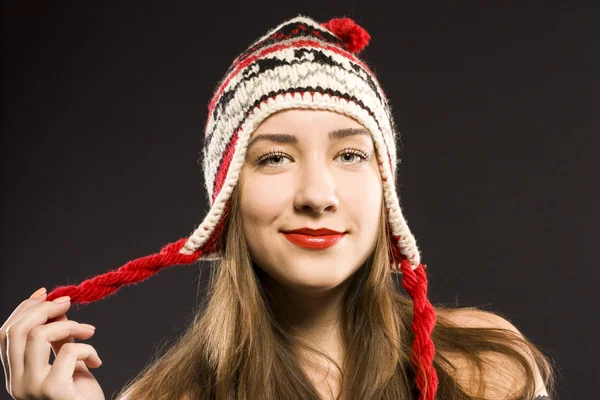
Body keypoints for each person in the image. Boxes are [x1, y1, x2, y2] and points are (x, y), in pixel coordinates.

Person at [1, 15, 555, 400]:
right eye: (273, 159)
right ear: (226, 201)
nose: (318, 194)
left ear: (385, 188)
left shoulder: (488, 369)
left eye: (350, 153)